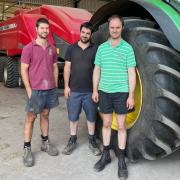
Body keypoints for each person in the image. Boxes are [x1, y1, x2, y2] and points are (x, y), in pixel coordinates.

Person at [92, 15, 136, 179]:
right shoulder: (102, 48)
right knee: (107, 123)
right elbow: (97, 70)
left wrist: (131, 95)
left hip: (121, 92)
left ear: (122, 28)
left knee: (122, 126)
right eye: (112, 27)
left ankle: (121, 160)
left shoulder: (128, 49)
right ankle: (105, 155)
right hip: (104, 91)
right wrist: (95, 90)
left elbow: (131, 73)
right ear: (109, 28)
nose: (115, 30)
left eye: (118, 27)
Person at [21, 18, 59, 167]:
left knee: (45, 115)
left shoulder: (51, 48)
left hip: (49, 89)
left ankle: (45, 143)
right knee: (30, 119)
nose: (45, 31)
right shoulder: (28, 48)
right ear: (36, 29)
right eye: (42, 28)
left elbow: (55, 66)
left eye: (47, 28)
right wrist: (29, 90)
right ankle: (27, 148)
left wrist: (54, 85)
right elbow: (23, 69)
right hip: (35, 90)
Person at [63, 22, 101, 156]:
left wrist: (96, 90)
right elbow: (67, 68)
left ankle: (92, 141)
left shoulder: (96, 49)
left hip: (90, 91)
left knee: (91, 118)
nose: (85, 35)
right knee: (73, 117)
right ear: (80, 32)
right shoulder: (71, 48)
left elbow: (98, 69)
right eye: (83, 32)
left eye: (88, 33)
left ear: (91, 35)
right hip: (74, 90)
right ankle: (72, 140)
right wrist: (66, 86)